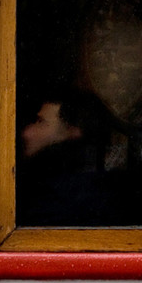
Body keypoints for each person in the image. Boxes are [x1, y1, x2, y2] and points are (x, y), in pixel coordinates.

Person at [17, 89, 127, 226]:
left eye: (41, 122)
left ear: (73, 131)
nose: (26, 132)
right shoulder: (92, 185)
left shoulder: (62, 199)